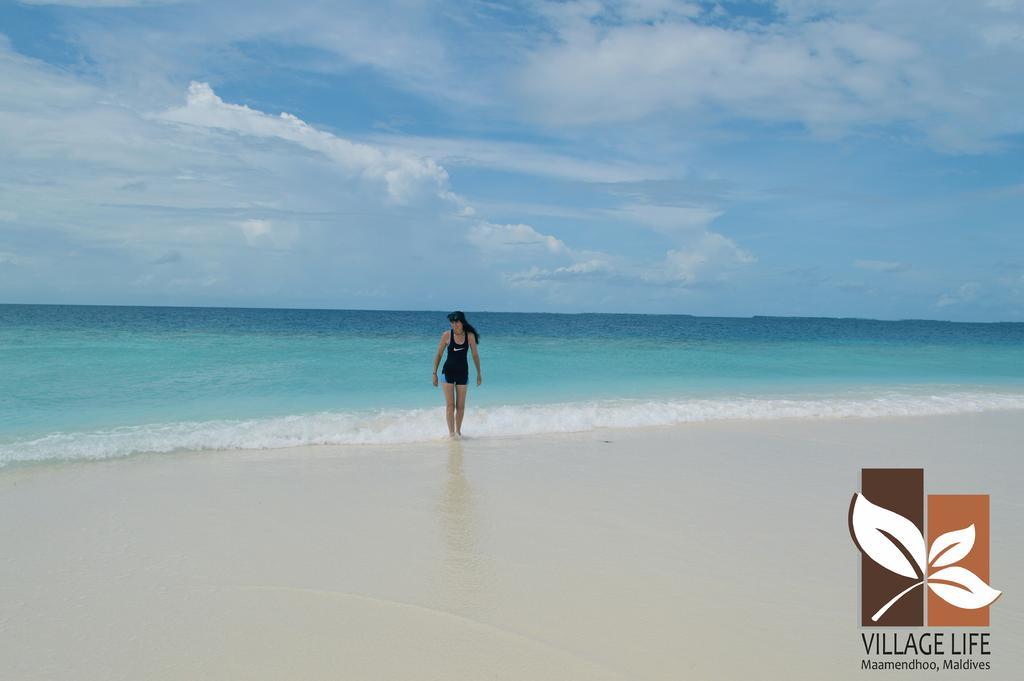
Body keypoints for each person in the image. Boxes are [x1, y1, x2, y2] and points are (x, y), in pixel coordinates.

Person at [432, 311, 482, 439]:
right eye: (452, 322)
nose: (454, 324)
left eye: (457, 322)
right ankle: (451, 434)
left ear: (462, 322)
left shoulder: (469, 336)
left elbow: (475, 355)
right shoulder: (447, 335)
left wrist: (479, 373)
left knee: (460, 407)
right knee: (450, 406)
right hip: (447, 373)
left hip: (463, 373)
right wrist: (434, 373)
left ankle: (458, 433)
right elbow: (438, 354)